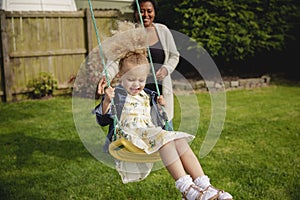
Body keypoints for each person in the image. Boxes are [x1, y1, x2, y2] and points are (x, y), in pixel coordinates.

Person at [94, 50, 233, 199]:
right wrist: (107, 100)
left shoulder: (147, 95)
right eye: (131, 80)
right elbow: (102, 120)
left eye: (141, 80)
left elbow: (157, 122)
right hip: (130, 137)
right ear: (120, 77)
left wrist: (160, 107)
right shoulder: (117, 93)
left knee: (179, 140)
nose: (136, 84)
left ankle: (204, 185)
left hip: (148, 133)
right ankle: (186, 189)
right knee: (165, 140)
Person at [98, 0, 179, 128]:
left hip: (159, 89)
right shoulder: (129, 33)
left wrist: (166, 69)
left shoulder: (162, 31)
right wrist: (106, 76)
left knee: (164, 127)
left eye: (149, 11)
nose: (145, 14)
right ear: (135, 13)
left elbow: (174, 56)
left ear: (154, 12)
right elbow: (116, 59)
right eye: (141, 11)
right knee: (141, 128)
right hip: (136, 90)